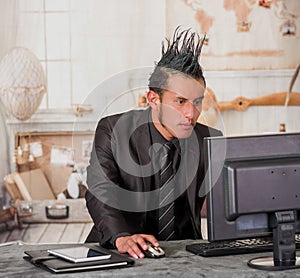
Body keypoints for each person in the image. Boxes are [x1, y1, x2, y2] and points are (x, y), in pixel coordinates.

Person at [85, 27, 222, 259]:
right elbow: (101, 191)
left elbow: (225, 202)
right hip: (121, 251)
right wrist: (121, 237)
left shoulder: (210, 140)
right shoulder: (113, 130)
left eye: (197, 102)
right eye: (180, 101)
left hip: (183, 255)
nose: (191, 113)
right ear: (153, 99)